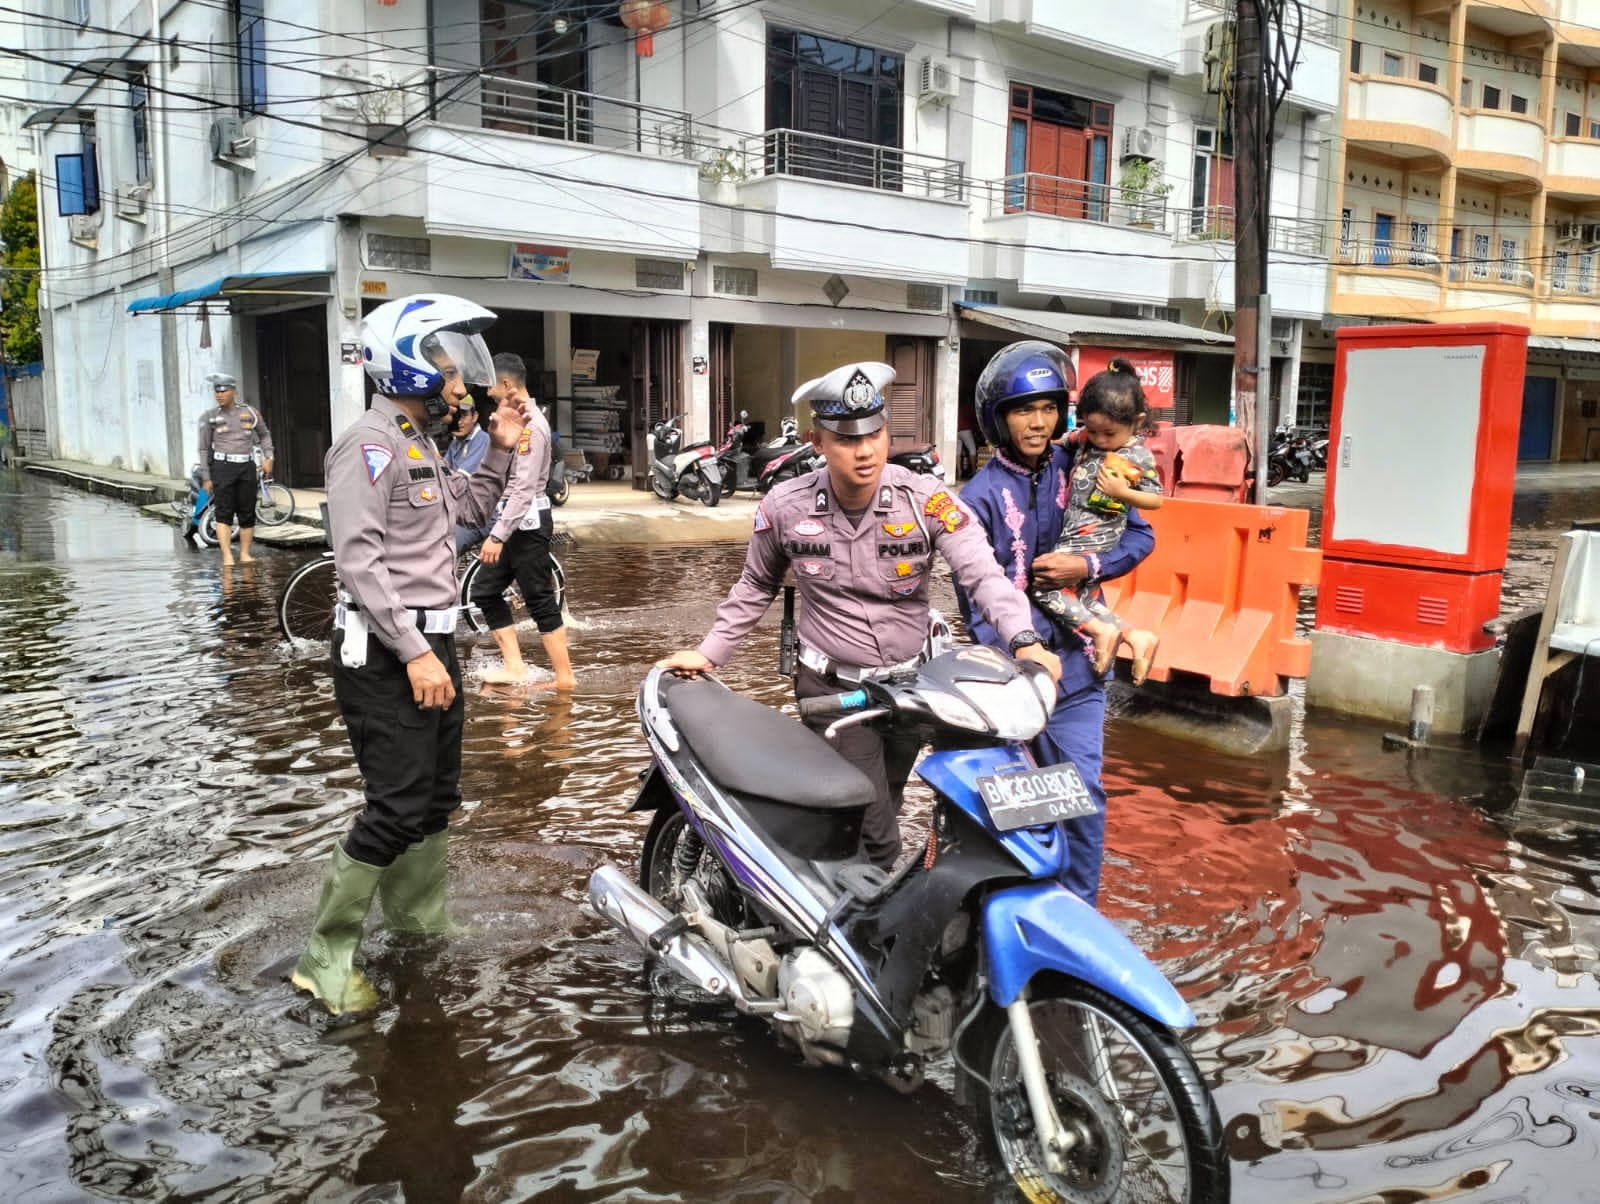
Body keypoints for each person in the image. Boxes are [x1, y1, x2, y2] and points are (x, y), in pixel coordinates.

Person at [657, 361, 1062, 871]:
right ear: (817, 441)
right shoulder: (785, 506)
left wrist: (1025, 641)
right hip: (836, 694)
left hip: (913, 690)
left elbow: (984, 576)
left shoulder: (927, 501)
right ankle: (852, 919)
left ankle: (845, 889)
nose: (866, 450)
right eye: (847, 439)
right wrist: (710, 652)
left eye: (875, 433)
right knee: (877, 836)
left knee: (889, 801)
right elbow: (756, 585)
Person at [291, 292, 532, 1015]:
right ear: (408, 359)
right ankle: (323, 957)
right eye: (445, 358)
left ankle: (417, 923)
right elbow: (358, 561)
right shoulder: (368, 444)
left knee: (434, 798)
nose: (460, 374)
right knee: (395, 804)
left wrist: (500, 444)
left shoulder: (420, 441)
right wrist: (415, 654)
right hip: (388, 648)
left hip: (431, 639)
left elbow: (467, 510)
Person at [956, 340, 1155, 908]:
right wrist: (1013, 662)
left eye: (1048, 408)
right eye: (1023, 410)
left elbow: (1141, 535)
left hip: (1077, 667)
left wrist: (1088, 564)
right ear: (999, 418)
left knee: (1083, 793)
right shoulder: (979, 499)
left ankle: (1079, 918)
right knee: (1018, 804)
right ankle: (1014, 913)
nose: (1038, 422)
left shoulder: (1088, 466)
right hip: (1010, 679)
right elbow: (975, 600)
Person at [1031, 357, 1164, 685]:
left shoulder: (1137, 456)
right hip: (1078, 528)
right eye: (1092, 430)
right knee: (1085, 598)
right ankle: (1136, 637)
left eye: (1109, 433)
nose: (1100, 439)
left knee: (1044, 588)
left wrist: (1123, 492)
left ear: (1137, 422)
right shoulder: (1086, 440)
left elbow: (1156, 499)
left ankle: (1100, 631)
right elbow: (1064, 442)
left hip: (1093, 534)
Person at [471, 352, 576, 689]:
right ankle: (514, 667)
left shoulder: (533, 426)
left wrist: (498, 535)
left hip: (527, 525)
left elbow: (524, 488)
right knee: (485, 591)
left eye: (489, 384)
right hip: (513, 522)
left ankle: (565, 678)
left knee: (539, 599)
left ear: (506, 383)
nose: (486, 392)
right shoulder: (515, 420)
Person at [197, 373, 272, 565]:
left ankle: (245, 554)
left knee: (247, 511)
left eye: (224, 391)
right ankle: (227, 556)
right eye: (217, 391)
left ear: (234, 391)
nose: (219, 395)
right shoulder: (209, 417)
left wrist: (269, 456)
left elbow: (264, 435)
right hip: (222, 467)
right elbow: (204, 448)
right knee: (224, 511)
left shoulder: (250, 413)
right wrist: (206, 476)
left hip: (246, 466)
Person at [442, 400, 492, 553]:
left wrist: (444, 475)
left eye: (464, 416)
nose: (459, 421)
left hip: (477, 518)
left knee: (445, 549)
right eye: (456, 416)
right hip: (459, 513)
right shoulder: (455, 443)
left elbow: (457, 483)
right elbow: (441, 474)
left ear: (475, 417)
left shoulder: (482, 440)